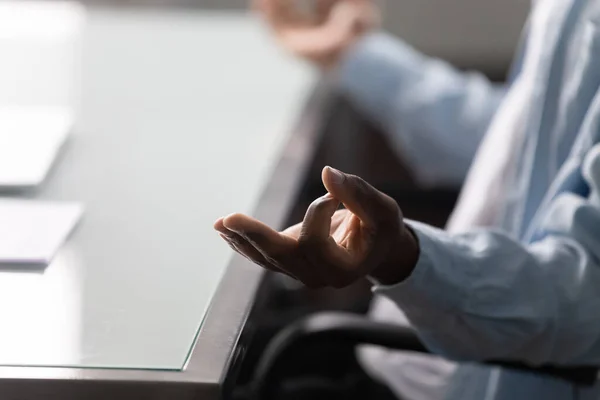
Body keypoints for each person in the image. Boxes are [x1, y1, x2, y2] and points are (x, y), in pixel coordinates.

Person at [214, 0, 600, 399]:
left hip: (484, 372)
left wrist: (404, 256)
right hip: (420, 349)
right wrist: (354, 54)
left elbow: (588, 305)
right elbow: (527, 141)